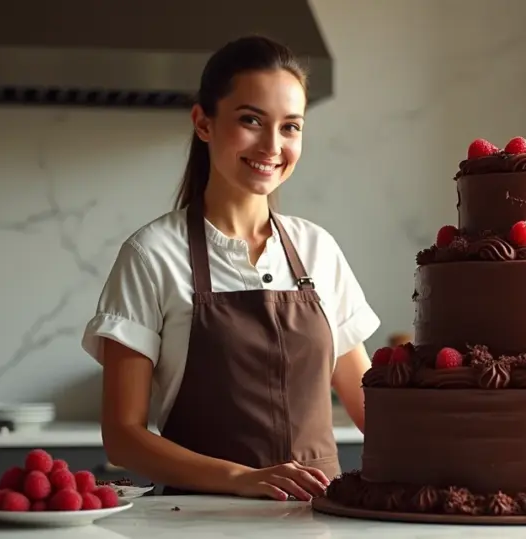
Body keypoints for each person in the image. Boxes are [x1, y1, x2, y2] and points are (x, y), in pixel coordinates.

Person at [81, 35, 380, 502]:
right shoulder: (151, 254)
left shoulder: (317, 249)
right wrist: (241, 478)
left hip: (318, 521)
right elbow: (122, 436)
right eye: (250, 120)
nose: (272, 145)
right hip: (198, 521)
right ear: (203, 122)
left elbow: (371, 411)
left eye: (290, 127)